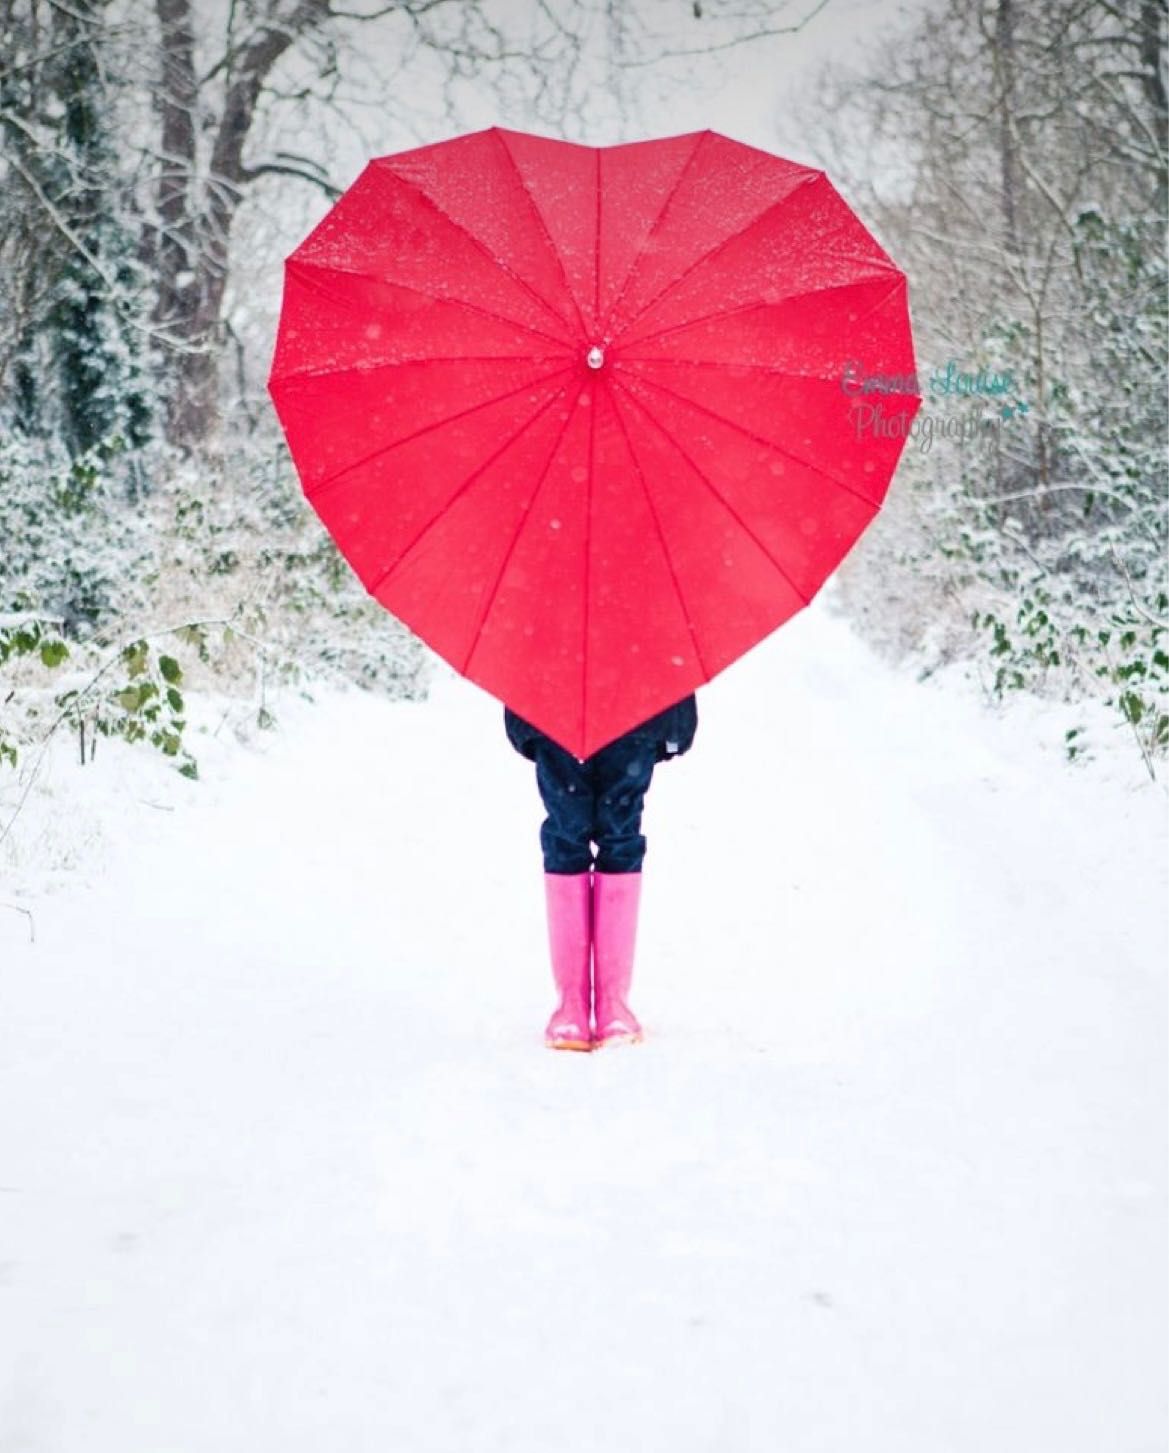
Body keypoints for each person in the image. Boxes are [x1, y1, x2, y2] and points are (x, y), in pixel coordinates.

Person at [503, 694, 698, 1052]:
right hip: (560, 711)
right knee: (569, 836)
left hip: (631, 711)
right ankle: (572, 1003)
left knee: (617, 838)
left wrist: (674, 720)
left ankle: (612, 1001)